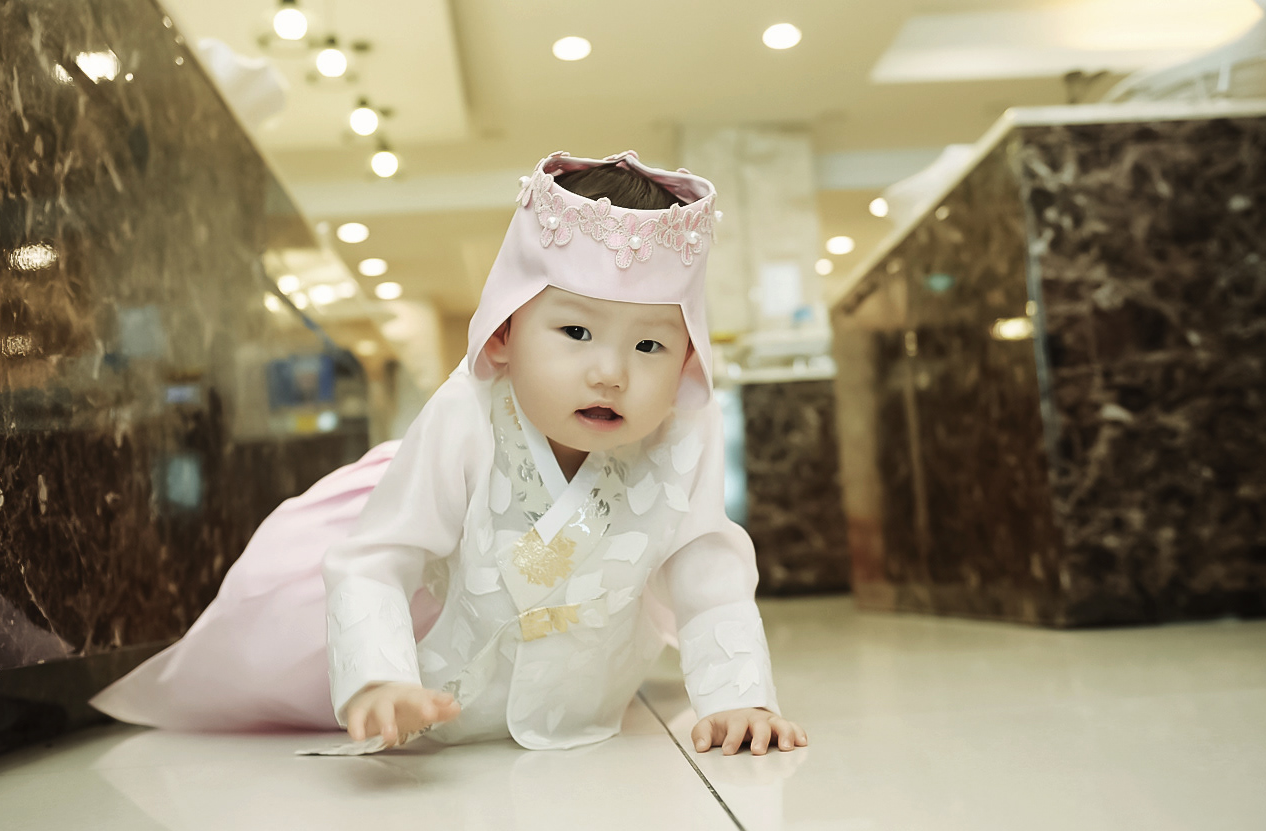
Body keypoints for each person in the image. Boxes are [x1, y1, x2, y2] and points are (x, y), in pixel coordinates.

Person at [92, 151, 807, 755]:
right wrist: (379, 677)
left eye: (650, 344)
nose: (611, 373)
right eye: (576, 333)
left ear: (687, 358)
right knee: (293, 672)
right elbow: (379, 558)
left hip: (583, 706)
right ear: (503, 333)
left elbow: (709, 574)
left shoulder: (685, 430)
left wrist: (739, 699)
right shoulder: (468, 413)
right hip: (443, 678)